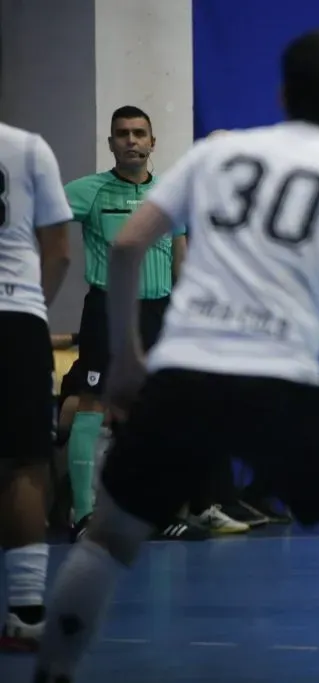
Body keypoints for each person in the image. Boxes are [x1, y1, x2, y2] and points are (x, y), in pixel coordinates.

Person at [32, 29, 319, 683]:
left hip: (183, 376)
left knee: (108, 539)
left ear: (282, 94)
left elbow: (126, 246)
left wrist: (126, 358)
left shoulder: (218, 153)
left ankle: (53, 669)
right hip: (280, 387)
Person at [61, 106, 207, 541]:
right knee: (93, 405)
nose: (131, 140)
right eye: (122, 134)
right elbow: (39, 216)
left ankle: (157, 514)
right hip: (107, 310)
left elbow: (181, 258)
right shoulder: (87, 192)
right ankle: (83, 515)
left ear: (152, 142)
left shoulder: (170, 195)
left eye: (139, 133)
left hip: (157, 312)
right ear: (111, 143)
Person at [0, 123, 72, 651]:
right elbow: (60, 251)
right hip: (16, 316)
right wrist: (32, 305)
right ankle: (26, 613)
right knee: (25, 463)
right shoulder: (27, 148)